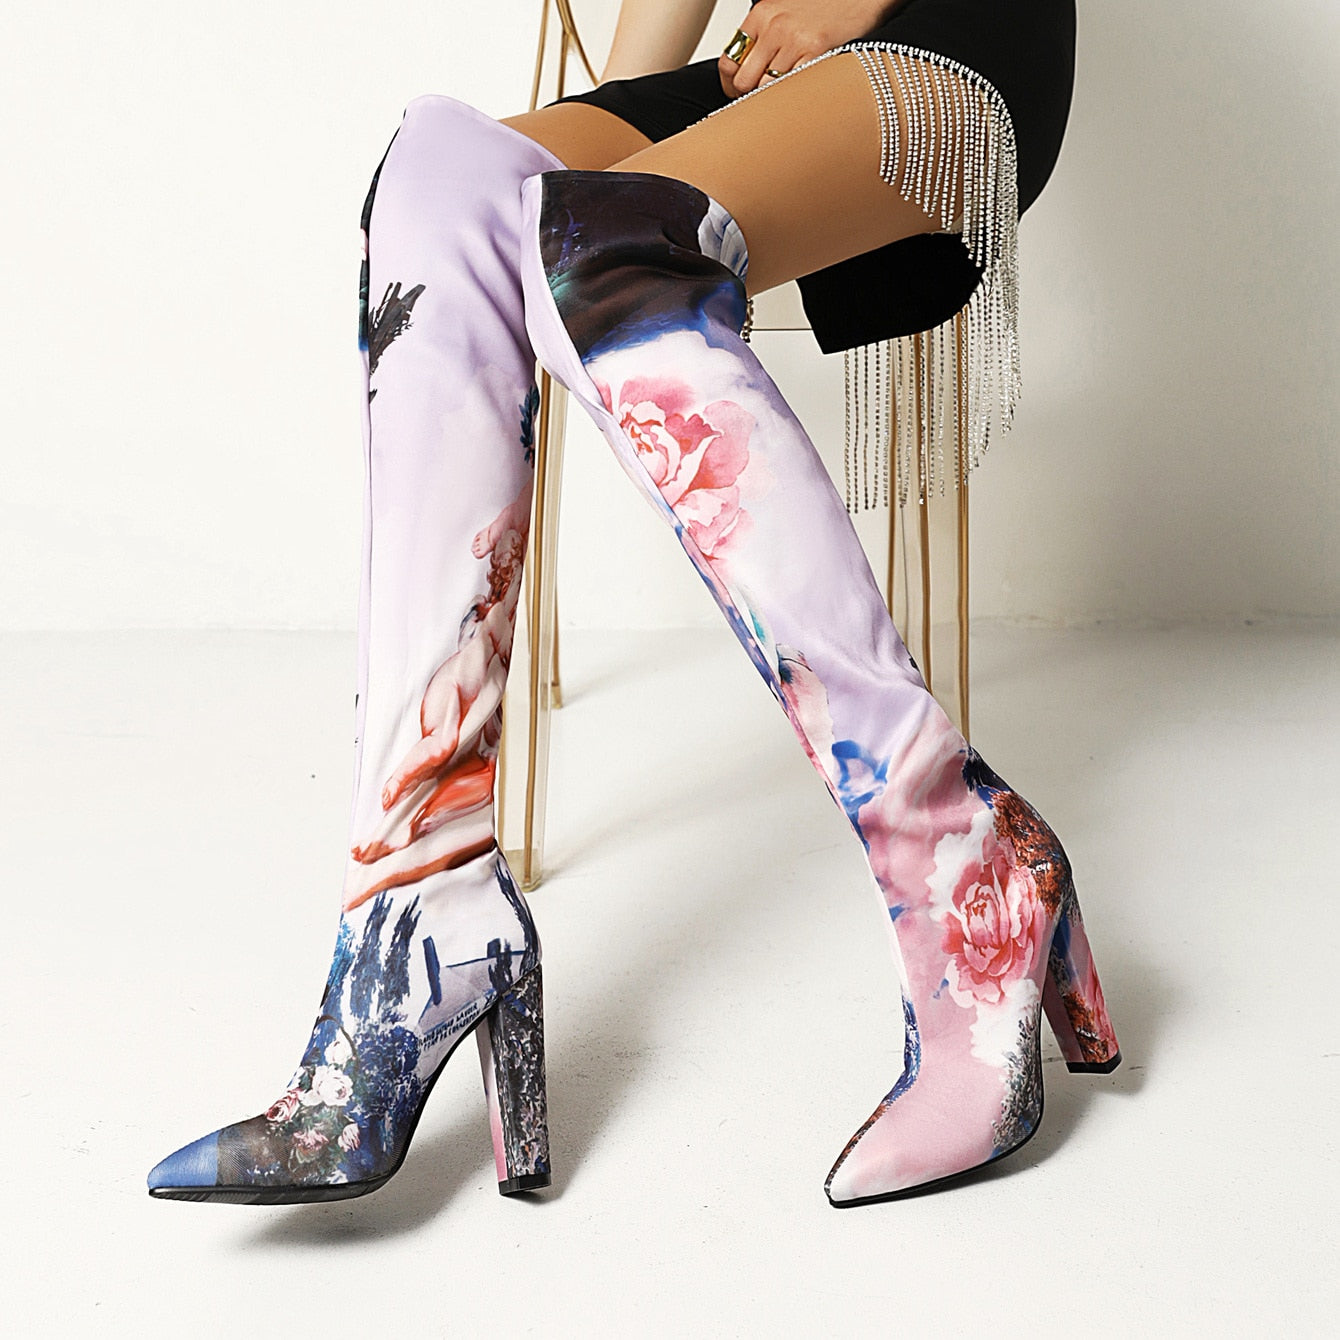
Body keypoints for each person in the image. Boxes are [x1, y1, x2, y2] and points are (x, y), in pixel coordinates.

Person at [147, 0, 1120, 1209]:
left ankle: (964, 860)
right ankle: (418, 916)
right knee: (439, 192)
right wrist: (597, 143)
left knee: (601, 242)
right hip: (765, 71)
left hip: (953, 32)